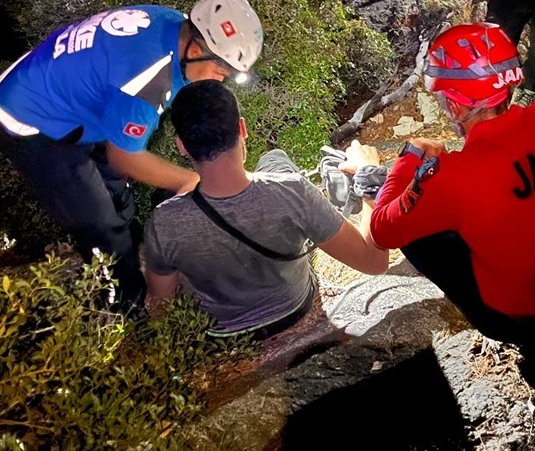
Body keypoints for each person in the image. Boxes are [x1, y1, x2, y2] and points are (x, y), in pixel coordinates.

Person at [0, 0, 264, 309]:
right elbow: (123, 157)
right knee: (102, 225)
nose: (222, 79)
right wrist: (187, 180)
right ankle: (124, 307)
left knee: (119, 198)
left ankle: (131, 254)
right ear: (195, 50)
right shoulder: (149, 78)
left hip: (67, 94)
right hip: (31, 119)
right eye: (221, 70)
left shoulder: (173, 24)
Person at [368, 22, 535, 346]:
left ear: (455, 105)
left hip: (520, 322)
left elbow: (381, 230)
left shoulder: (450, 178)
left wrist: (411, 155)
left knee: (414, 234)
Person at [142, 79, 388, 337]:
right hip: (295, 307)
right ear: (242, 128)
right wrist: (369, 178)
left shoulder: (163, 221)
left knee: (274, 160)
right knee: (276, 160)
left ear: (181, 145)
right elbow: (374, 263)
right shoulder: (294, 191)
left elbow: (161, 307)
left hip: (225, 335)